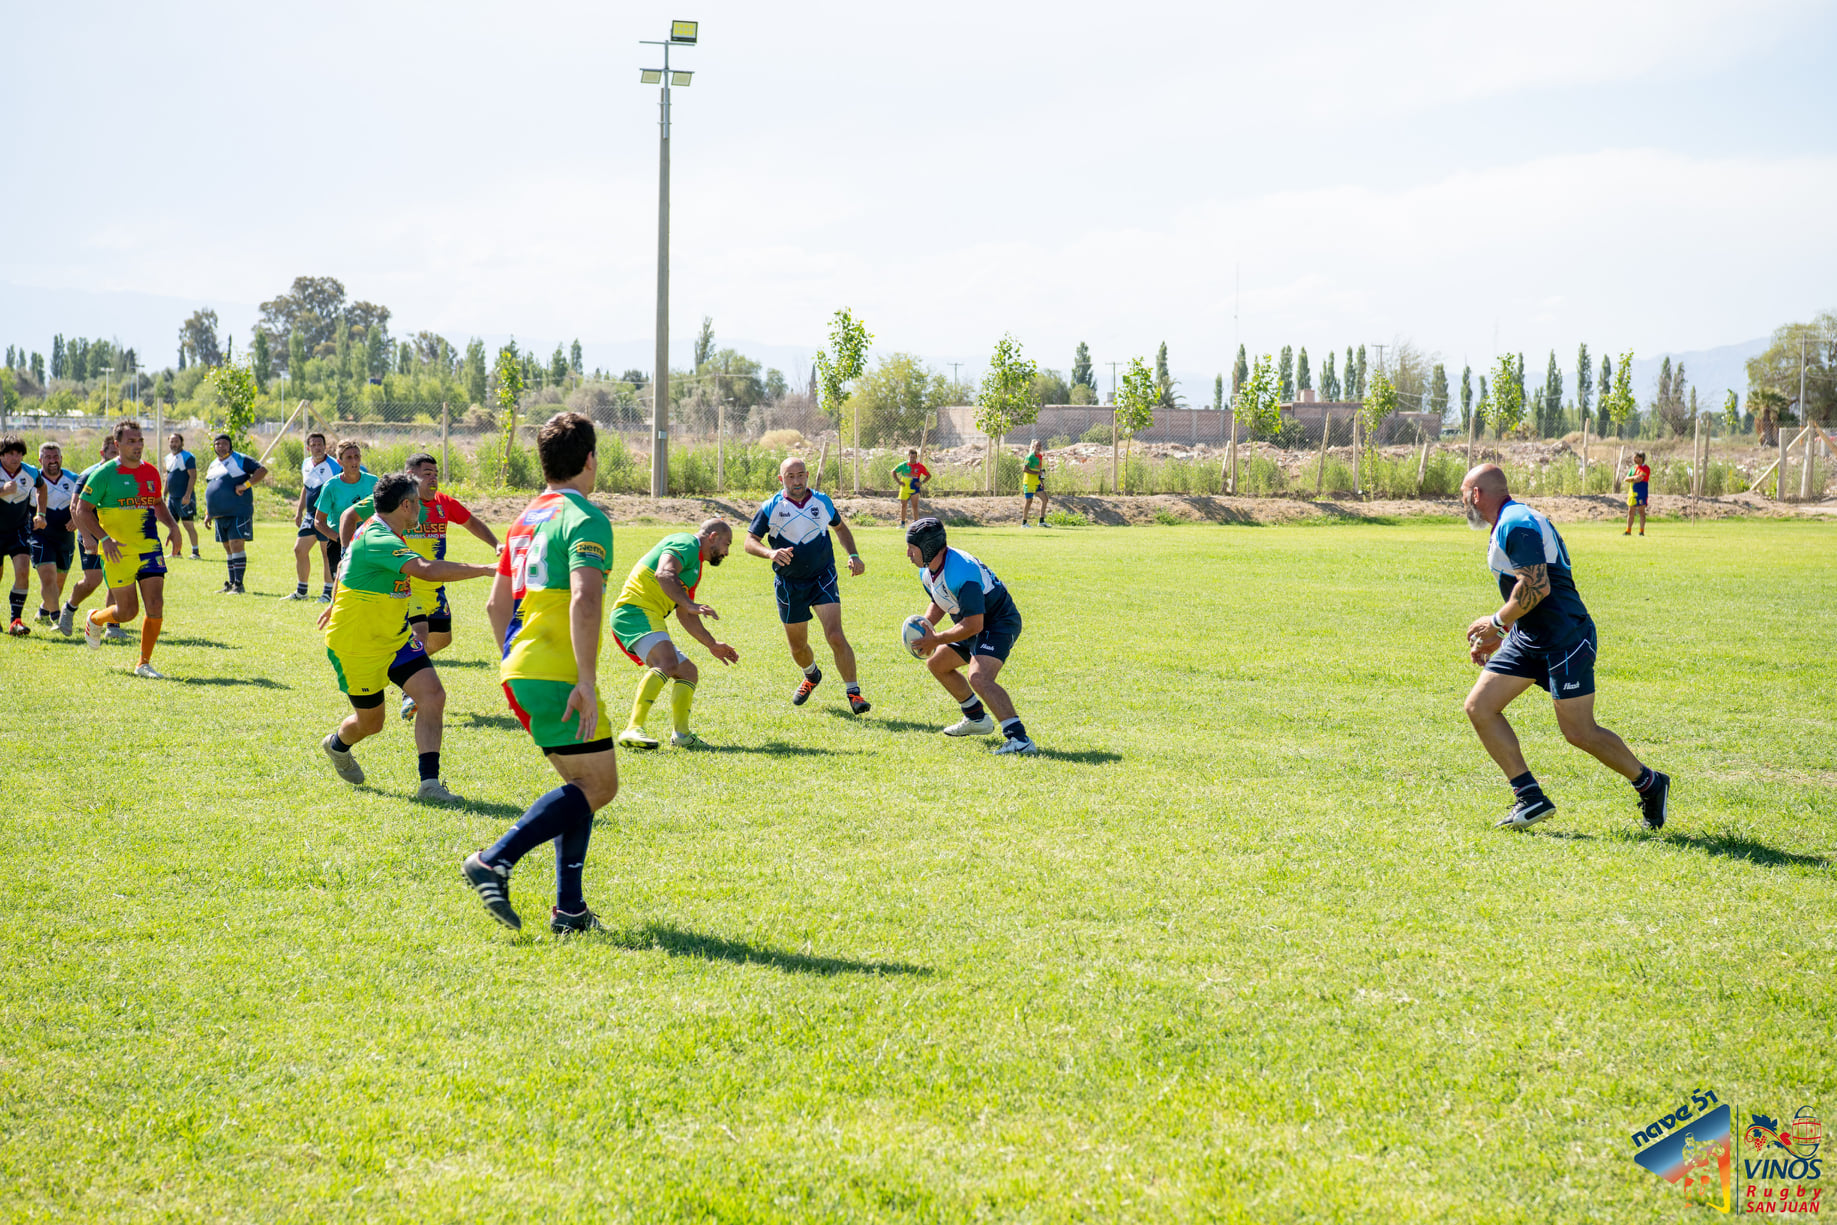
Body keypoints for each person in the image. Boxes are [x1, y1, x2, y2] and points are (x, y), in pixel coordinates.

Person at [467, 412, 619, 933]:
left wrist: (516, 663)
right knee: (598, 785)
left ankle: (570, 910)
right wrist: (585, 679)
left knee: (581, 784)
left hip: (520, 664)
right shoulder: (586, 517)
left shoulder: (524, 518)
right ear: (590, 459)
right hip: (554, 667)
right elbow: (585, 596)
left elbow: (494, 606)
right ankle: (494, 860)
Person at [1459, 463, 1669, 830]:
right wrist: (1501, 633)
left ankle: (1650, 783)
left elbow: (1538, 587)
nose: (1462, 502)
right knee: (1480, 706)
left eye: (1463, 494)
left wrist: (1495, 622)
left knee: (1579, 732)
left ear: (1476, 494)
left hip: (1565, 638)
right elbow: (1526, 593)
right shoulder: (1508, 522)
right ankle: (1530, 797)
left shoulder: (1517, 522)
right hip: (1530, 637)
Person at [317, 472, 496, 803]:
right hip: (357, 647)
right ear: (406, 505)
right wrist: (486, 569)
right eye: (418, 504)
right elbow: (427, 569)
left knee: (433, 696)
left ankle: (429, 784)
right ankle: (337, 745)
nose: (422, 510)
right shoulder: (378, 538)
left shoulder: (382, 530)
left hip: (396, 638)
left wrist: (334, 600)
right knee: (371, 723)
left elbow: (345, 567)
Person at [339, 452, 499, 720]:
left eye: (436, 473)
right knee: (420, 634)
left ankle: (402, 666)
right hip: (408, 582)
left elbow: (471, 521)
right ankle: (409, 691)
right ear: (410, 476)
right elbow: (348, 515)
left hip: (434, 588)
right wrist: (346, 554)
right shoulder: (394, 502)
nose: (433, 478)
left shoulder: (443, 503)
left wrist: (497, 544)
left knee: (443, 638)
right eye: (427, 473)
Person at [745, 456, 870, 714]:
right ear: (781, 479)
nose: (797, 480)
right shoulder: (771, 507)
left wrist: (854, 555)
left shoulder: (822, 501)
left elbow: (841, 528)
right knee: (798, 647)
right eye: (790, 476)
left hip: (822, 576)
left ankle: (854, 693)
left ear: (807, 475)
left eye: (800, 474)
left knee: (835, 635)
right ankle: (811, 675)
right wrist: (770, 553)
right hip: (789, 583)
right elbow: (749, 541)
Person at [903, 516, 1037, 755]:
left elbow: (975, 625)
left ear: (928, 548)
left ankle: (1020, 740)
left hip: (998, 623)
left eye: (912, 549)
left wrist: (935, 639)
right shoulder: (928, 569)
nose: (908, 554)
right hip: (972, 621)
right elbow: (940, 599)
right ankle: (977, 719)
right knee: (937, 663)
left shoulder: (961, 571)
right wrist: (926, 626)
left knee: (979, 677)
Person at [610, 520, 739, 750]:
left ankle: (682, 736)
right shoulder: (686, 542)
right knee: (667, 662)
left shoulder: (695, 567)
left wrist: (712, 644)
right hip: (634, 611)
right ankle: (632, 729)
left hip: (648, 615)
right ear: (713, 536)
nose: (727, 552)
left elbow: (685, 613)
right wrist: (689, 603)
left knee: (688, 672)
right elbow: (663, 573)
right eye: (726, 544)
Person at [72, 419, 181, 678]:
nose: (138, 446)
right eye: (131, 441)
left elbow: (157, 504)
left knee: (156, 604)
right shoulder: (104, 474)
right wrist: (103, 539)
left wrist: (173, 528)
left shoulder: (151, 472)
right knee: (127, 612)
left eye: (140, 440)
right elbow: (82, 510)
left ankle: (143, 663)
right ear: (117, 444)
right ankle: (96, 619)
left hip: (149, 548)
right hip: (116, 551)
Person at [58, 436, 125, 639]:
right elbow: (74, 507)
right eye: (113, 453)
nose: (117, 457)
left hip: (115, 534)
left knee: (117, 578)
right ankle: (69, 608)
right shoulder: (89, 474)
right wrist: (86, 536)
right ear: (102, 453)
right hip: (92, 534)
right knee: (93, 580)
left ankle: (113, 627)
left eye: (119, 453)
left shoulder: (123, 474)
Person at [202, 433, 266, 594]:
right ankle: (231, 583)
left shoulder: (240, 459)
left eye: (224, 443)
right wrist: (208, 512)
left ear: (230, 445)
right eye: (217, 444)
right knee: (228, 548)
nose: (221, 447)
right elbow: (211, 488)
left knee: (236, 544)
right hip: (219, 514)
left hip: (238, 511)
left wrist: (245, 485)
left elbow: (262, 470)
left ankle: (239, 584)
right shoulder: (213, 465)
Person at [289, 431, 342, 601]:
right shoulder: (306, 463)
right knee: (299, 549)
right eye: (313, 445)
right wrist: (299, 511)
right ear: (308, 447)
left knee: (326, 553)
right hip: (311, 515)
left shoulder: (334, 465)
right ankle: (302, 591)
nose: (317, 447)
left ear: (325, 446)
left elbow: (339, 488)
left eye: (320, 444)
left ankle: (327, 592)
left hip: (327, 516)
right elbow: (306, 487)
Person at [30, 442, 79, 625]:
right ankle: (57, 618)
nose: (52, 461)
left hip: (65, 537)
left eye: (55, 456)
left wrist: (76, 520)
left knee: (58, 582)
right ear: (40, 459)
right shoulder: (32, 480)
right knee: (48, 576)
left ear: (61, 458)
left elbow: (85, 505)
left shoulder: (74, 479)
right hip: (40, 536)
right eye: (48, 457)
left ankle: (43, 611)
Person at [313, 439, 377, 577]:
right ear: (339, 461)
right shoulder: (331, 486)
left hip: (368, 541)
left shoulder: (373, 482)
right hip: (339, 545)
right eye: (349, 457)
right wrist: (339, 538)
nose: (354, 461)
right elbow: (319, 521)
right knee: (342, 586)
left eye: (357, 457)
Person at [0, 436, 38, 635]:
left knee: (23, 571)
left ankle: (16, 621)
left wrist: (41, 513)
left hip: (18, 531)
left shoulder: (30, 471)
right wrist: (2, 491)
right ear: (2, 455)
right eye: (11, 454)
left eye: (19, 453)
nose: (16, 458)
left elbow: (42, 487)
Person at [163, 433, 201, 559]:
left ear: (182, 443)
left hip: (184, 498)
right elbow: (167, 478)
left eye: (176, 441)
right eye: (171, 441)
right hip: (172, 499)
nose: (174, 444)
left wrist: (188, 494)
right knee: (173, 525)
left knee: (188, 525)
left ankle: (195, 552)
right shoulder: (168, 458)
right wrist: (164, 495)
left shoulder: (188, 457)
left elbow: (193, 476)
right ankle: (176, 552)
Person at [893, 448, 931, 526]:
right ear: (908, 456)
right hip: (904, 488)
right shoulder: (904, 465)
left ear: (916, 457)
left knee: (915, 506)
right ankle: (902, 524)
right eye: (911, 457)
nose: (912, 459)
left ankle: (916, 524)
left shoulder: (920, 466)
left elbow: (929, 475)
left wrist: (921, 483)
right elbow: (893, 471)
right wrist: (898, 481)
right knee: (903, 505)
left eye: (914, 457)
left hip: (914, 488)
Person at [1020, 439, 1051, 527]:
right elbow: (1024, 469)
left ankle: (1041, 521)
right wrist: (1036, 473)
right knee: (1029, 501)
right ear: (1033, 446)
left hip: (1037, 482)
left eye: (1039, 446)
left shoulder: (1040, 457)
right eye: (1036, 446)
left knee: (1045, 499)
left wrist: (1041, 481)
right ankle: (1024, 523)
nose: (1038, 447)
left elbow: (1040, 470)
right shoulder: (1029, 456)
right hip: (1029, 482)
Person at [1623, 451, 1651, 536]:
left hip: (1642, 492)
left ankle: (1641, 531)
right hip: (1632, 492)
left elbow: (1640, 479)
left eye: (1636, 457)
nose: (1634, 459)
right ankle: (1628, 531)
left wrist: (1633, 479)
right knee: (1630, 511)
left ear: (1641, 458)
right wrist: (1633, 477)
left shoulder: (1646, 468)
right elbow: (1626, 479)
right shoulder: (1633, 468)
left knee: (1641, 511)